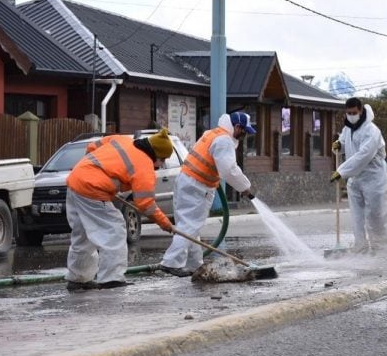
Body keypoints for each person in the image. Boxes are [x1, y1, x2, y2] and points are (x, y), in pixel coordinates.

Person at [65, 128, 175, 291]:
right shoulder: (144, 165)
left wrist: (100, 173)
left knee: (82, 235)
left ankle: (78, 278)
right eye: (162, 160)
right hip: (92, 189)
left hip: (75, 181)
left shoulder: (121, 140)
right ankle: (111, 279)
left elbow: (91, 147)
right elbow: (146, 204)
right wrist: (166, 224)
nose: (161, 164)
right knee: (114, 231)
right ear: (156, 154)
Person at [160, 112, 256, 277]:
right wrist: (245, 187)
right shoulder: (224, 141)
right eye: (244, 131)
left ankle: (194, 265)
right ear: (237, 127)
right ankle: (171, 262)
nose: (245, 135)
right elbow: (229, 170)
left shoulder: (211, 133)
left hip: (185, 180)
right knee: (190, 225)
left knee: (189, 225)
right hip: (199, 187)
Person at [330, 98, 387, 253]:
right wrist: (339, 144)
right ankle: (360, 247)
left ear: (361, 111)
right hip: (355, 179)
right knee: (357, 217)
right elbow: (344, 142)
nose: (351, 116)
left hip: (373, 178)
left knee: (375, 215)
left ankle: (379, 248)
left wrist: (342, 171)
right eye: (348, 113)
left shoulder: (372, 131)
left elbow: (364, 155)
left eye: (354, 113)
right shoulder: (348, 128)